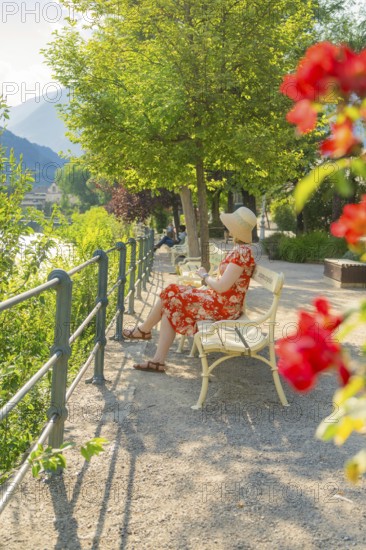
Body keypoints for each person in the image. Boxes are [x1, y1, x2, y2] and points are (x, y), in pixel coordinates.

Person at [122, 207, 257, 372]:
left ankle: (144, 332)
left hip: (223, 307)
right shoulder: (241, 251)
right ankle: (157, 360)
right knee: (171, 301)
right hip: (218, 300)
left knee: (172, 294)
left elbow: (222, 287)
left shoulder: (242, 253)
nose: (227, 228)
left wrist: (205, 276)